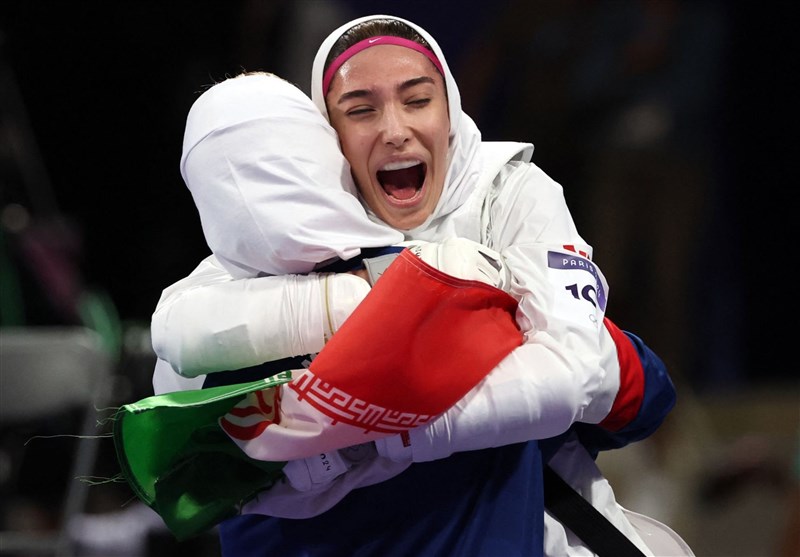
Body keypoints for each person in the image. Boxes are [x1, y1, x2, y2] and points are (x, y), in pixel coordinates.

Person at [150, 15, 680, 557]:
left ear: (450, 109)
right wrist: (370, 304)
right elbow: (174, 350)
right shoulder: (271, 255)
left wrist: (364, 427)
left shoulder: (506, 189)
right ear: (325, 142)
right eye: (361, 110)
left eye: (417, 100)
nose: (395, 129)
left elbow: (581, 378)